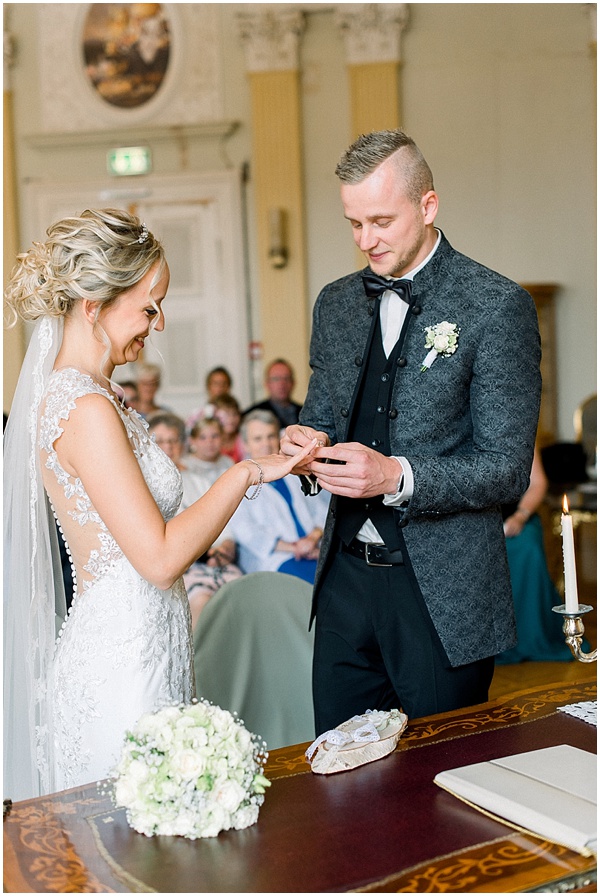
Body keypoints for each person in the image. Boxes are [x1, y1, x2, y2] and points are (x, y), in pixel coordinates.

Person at [3, 208, 317, 801]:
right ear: (94, 303)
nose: (161, 322)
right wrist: (247, 472)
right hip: (120, 659)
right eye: (149, 306)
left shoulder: (102, 398)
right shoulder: (85, 409)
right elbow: (160, 556)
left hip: (151, 637)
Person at [280, 129, 541, 734]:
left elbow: (506, 467)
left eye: (380, 221)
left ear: (428, 207)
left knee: (442, 786)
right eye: (353, 223)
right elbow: (321, 413)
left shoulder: (495, 306)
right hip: (344, 579)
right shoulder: (337, 303)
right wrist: (306, 443)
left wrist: (398, 476)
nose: (365, 240)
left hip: (442, 596)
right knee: (339, 778)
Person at [148, 413, 242, 629]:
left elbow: (222, 521)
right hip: (183, 565)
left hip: (215, 559)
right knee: (202, 600)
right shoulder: (145, 484)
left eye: (173, 441)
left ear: (182, 444)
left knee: (241, 592)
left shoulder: (198, 481)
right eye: (160, 441)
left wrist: (226, 545)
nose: (168, 447)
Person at [496, 446, 576, 663]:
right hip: (475, 519)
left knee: (527, 549)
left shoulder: (520, 428)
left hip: (516, 516)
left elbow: (538, 483)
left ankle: (532, 636)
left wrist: (520, 517)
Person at [230, 411, 326, 584]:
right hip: (276, 557)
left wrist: (312, 539)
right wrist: (294, 548)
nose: (266, 444)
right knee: (315, 585)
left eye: (271, 436)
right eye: (258, 439)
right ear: (245, 444)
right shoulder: (238, 479)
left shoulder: (295, 470)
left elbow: (320, 508)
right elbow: (245, 530)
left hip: (313, 549)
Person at [244, 359, 303, 430]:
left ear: (293, 383)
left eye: (286, 378)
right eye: (276, 379)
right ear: (267, 384)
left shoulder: (306, 412)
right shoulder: (252, 414)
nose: (282, 384)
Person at [184, 416, 234, 482]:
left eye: (215, 436)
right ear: (192, 441)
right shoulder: (185, 466)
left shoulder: (228, 462)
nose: (209, 442)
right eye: (203, 437)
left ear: (223, 437)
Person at [213, 393, 246, 463]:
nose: (231, 419)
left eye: (235, 414)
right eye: (226, 414)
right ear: (215, 416)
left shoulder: (243, 438)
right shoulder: (210, 440)